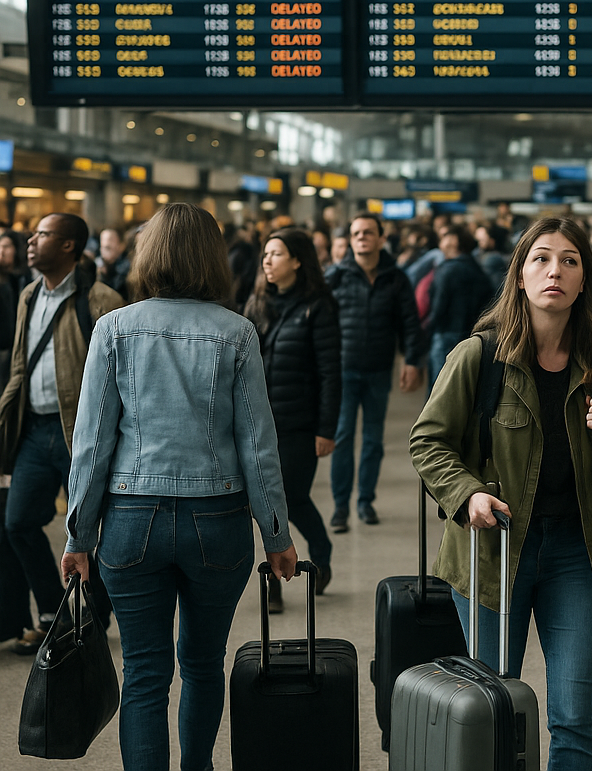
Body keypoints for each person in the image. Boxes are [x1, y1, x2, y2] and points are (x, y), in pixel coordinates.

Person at [60, 203, 296, 771]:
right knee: (203, 663)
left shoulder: (114, 329)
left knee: (144, 671)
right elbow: (257, 446)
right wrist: (277, 534)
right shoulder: (237, 333)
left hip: (130, 520)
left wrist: (78, 536)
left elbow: (91, 445)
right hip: (217, 520)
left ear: (149, 254)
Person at [410, 217, 592, 771]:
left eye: (569, 261)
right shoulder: (479, 356)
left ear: (583, 281)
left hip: (576, 552)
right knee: (493, 709)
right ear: (520, 275)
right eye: (541, 258)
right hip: (495, 552)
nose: (554, 271)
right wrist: (467, 494)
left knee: (573, 717)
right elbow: (428, 441)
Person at [0, 214, 125, 656]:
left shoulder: (102, 300)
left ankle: (94, 619)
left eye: (42, 234)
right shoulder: (29, 294)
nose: (30, 241)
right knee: (18, 522)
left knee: (93, 533)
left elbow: (120, 376)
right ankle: (57, 615)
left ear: (69, 245)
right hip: (35, 430)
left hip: (82, 436)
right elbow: (20, 363)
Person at [245, 228, 339, 608]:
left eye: (277, 254)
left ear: (298, 260)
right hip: (258, 420)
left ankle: (321, 550)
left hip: (299, 420)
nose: (267, 260)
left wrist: (326, 428)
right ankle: (274, 581)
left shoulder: (318, 305)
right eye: (266, 254)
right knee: (263, 500)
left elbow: (330, 371)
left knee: (293, 497)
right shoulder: (256, 303)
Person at [325, 211, 424, 531]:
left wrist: (412, 360)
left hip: (379, 371)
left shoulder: (396, 278)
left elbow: (409, 322)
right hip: (343, 370)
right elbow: (320, 324)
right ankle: (341, 506)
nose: (361, 238)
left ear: (381, 239)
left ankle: (365, 501)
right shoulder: (335, 277)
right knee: (342, 438)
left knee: (373, 440)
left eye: (368, 232)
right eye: (356, 233)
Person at [426, 226, 496, 390]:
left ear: (453, 241)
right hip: (472, 335)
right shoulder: (477, 268)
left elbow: (438, 307)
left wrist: (426, 331)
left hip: (445, 334)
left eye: (444, 238)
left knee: (439, 388)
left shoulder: (447, 270)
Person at [97, 226, 132, 298]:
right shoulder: (96, 265)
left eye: (110, 240)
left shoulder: (128, 266)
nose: (105, 244)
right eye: (103, 240)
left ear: (121, 245)